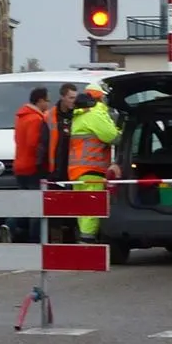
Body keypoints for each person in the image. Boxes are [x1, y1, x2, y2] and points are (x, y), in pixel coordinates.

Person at [67, 83, 121, 242]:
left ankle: (84, 239)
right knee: (92, 207)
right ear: (101, 98)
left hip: (78, 170)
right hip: (92, 169)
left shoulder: (79, 115)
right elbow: (112, 137)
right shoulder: (95, 115)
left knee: (83, 208)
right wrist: (123, 132)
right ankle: (87, 241)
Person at [8, 85, 51, 244]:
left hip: (20, 165)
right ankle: (34, 238)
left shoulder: (21, 117)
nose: (48, 104)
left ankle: (10, 228)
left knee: (24, 202)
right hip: (32, 167)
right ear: (40, 101)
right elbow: (34, 143)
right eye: (47, 100)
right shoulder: (36, 119)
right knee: (35, 205)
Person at [44, 83, 81, 243]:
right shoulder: (50, 116)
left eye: (75, 98)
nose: (74, 101)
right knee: (55, 208)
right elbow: (43, 143)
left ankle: (72, 239)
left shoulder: (79, 114)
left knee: (74, 206)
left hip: (74, 169)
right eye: (71, 98)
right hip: (56, 170)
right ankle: (56, 241)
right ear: (63, 97)